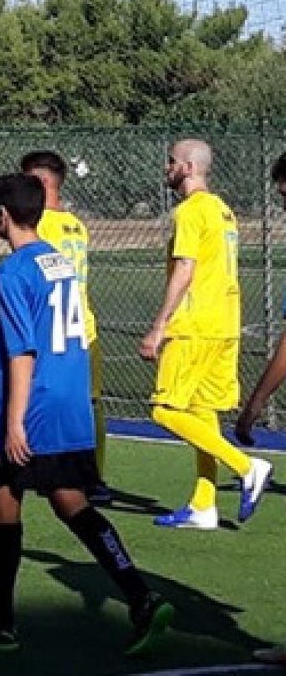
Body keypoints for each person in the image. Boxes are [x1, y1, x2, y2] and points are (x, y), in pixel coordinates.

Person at [0, 173, 173, 656]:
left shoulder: (11, 271)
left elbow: (24, 351)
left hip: (34, 405)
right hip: (69, 400)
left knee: (3, 502)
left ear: (1, 216)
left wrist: (14, 421)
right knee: (72, 503)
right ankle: (141, 596)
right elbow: (44, 335)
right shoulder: (58, 260)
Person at [0, 151, 113, 503]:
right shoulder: (77, 226)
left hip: (44, 345)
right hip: (78, 331)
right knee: (91, 406)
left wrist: (12, 423)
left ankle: (13, 467)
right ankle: (94, 477)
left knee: (35, 486)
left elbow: (24, 343)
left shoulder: (36, 242)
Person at [140, 139, 272, 530]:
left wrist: (159, 325)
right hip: (223, 325)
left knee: (164, 410)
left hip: (193, 327)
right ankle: (203, 505)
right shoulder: (223, 210)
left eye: (171, 162)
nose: (167, 168)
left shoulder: (192, 210)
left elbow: (186, 267)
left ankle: (247, 467)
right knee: (202, 414)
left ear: (188, 167)